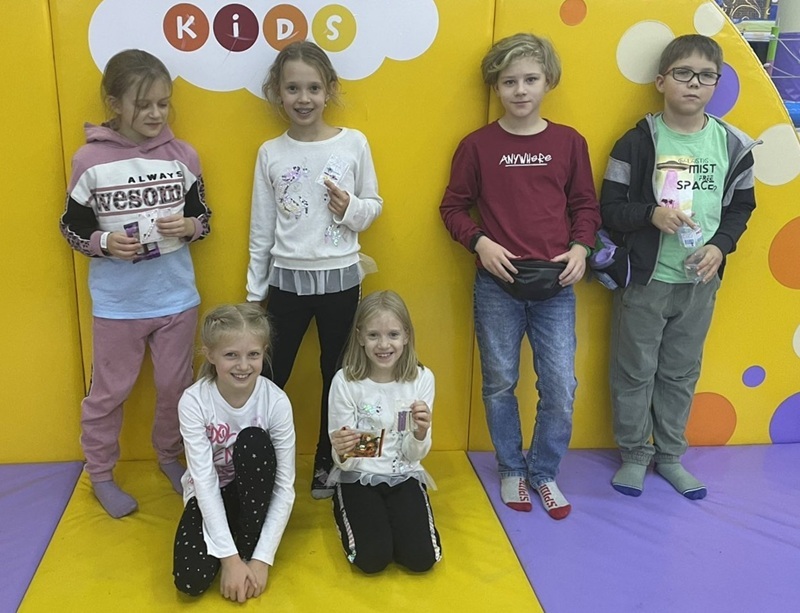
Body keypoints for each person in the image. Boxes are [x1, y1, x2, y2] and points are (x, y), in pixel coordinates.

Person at [440, 33, 600, 520]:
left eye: (530, 79)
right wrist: (479, 242)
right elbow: (452, 207)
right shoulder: (477, 146)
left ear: (548, 81)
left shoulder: (569, 142)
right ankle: (511, 466)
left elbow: (585, 205)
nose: (521, 90)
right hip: (497, 286)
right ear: (496, 86)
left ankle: (544, 471)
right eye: (509, 81)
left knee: (560, 387)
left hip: (556, 285)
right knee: (499, 383)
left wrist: (581, 247)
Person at [600, 34, 757, 499]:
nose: (694, 83)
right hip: (645, 281)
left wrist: (721, 247)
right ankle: (634, 454)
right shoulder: (635, 143)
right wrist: (650, 214)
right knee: (633, 371)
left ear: (717, 85)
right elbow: (609, 208)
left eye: (706, 76)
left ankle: (669, 456)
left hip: (699, 283)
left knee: (681, 373)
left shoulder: (733, 145)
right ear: (661, 81)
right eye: (683, 73)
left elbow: (742, 208)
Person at [59, 49, 212, 518]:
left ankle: (169, 456)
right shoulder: (89, 161)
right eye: (143, 104)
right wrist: (104, 242)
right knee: (109, 393)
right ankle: (101, 473)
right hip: (117, 305)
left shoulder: (184, 156)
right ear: (114, 103)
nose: (155, 114)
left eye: (163, 104)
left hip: (176, 299)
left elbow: (204, 218)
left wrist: (190, 227)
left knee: (176, 387)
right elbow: (71, 227)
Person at [247, 41, 382, 500]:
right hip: (286, 281)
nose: (303, 98)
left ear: (329, 90)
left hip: (341, 280)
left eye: (313, 88)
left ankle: (331, 460)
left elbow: (373, 206)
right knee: (271, 374)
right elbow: (261, 227)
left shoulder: (353, 142)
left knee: (338, 375)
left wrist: (351, 209)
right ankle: (262, 460)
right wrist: (254, 294)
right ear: (277, 92)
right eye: (292, 89)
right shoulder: (270, 151)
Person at [172, 303, 296, 602]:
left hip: (255, 494)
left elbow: (284, 486)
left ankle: (248, 541)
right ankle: (234, 543)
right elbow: (204, 481)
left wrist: (261, 560)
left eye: (253, 354)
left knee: (253, 441)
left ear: (264, 352)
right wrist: (229, 559)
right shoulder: (194, 401)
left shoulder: (276, 402)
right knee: (190, 580)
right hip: (211, 494)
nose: (243, 365)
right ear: (210, 354)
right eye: (231, 355)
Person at [328, 290, 442, 573]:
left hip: (404, 473)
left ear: (406, 336)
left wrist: (420, 433)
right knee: (371, 560)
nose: (383, 345)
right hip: (358, 476)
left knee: (421, 559)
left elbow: (413, 455)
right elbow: (345, 458)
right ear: (359, 337)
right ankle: (345, 506)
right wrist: (342, 450)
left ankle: (395, 522)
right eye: (373, 335)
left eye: (393, 334)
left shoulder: (421, 378)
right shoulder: (345, 381)